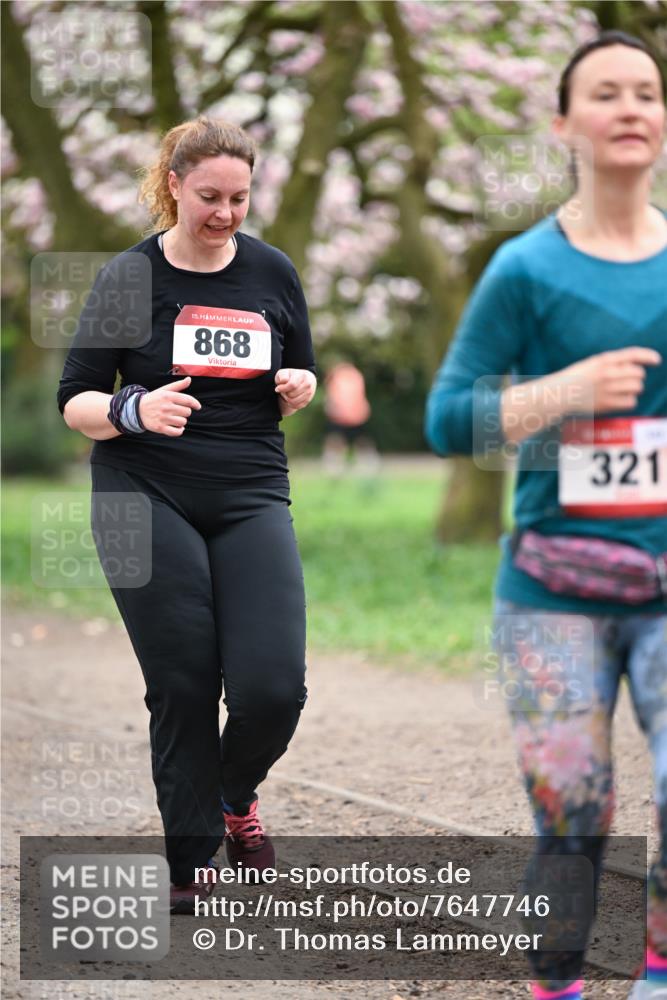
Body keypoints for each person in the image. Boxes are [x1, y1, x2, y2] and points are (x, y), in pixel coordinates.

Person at [425, 32, 667, 1000]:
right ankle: (557, 981)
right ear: (564, 124)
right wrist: (561, 390)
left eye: (646, 92)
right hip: (548, 593)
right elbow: (447, 419)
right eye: (604, 93)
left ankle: (657, 967)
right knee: (573, 814)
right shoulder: (524, 269)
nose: (629, 108)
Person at [57, 117, 317, 913]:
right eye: (210, 196)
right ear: (173, 184)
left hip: (248, 492)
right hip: (143, 492)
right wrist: (134, 409)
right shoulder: (128, 278)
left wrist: (298, 385)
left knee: (274, 688)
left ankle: (231, 799)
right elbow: (76, 401)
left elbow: (297, 359)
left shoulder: (272, 270)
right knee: (182, 680)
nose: (226, 213)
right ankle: (193, 856)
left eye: (240, 197)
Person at [322, 361, 378, 473]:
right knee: (356, 440)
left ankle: (334, 466)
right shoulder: (356, 375)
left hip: (345, 416)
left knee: (338, 440)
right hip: (356, 416)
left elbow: (334, 398)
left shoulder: (338, 377)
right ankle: (367, 464)